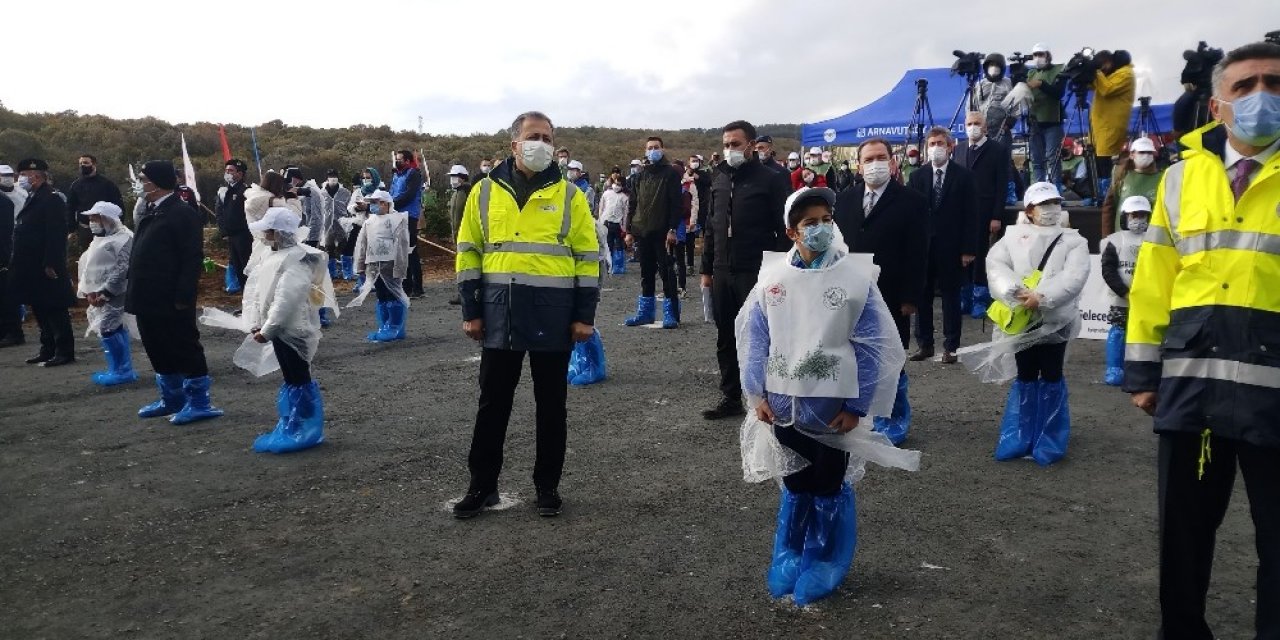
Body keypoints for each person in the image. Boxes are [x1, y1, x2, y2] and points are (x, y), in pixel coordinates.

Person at [1123, 41, 1280, 640]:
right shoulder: (1178, 180)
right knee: (1183, 537)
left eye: (1273, 81)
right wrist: (1141, 373)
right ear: (1218, 105)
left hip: (1273, 389)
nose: (1261, 95)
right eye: (1245, 86)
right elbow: (1154, 279)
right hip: (1193, 388)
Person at [737, 186, 914, 606]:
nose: (819, 229)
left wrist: (857, 407)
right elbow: (756, 339)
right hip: (782, 408)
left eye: (825, 220)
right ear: (791, 232)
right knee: (795, 483)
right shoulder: (774, 279)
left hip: (832, 413)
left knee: (826, 484)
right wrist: (755, 393)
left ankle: (823, 558)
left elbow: (872, 345)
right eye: (808, 223)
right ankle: (792, 553)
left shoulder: (855, 279)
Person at [453, 110, 600, 519]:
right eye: (534, 136)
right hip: (500, 313)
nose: (542, 144)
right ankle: (482, 486)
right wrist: (472, 310)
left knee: (552, 406)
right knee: (492, 405)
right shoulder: (482, 192)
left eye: (548, 138)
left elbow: (588, 259)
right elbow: (468, 253)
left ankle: (547, 487)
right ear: (514, 143)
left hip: (554, 316)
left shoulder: (570, 196)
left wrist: (584, 316)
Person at [960, 182, 1088, 466]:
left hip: (1056, 320)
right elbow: (996, 266)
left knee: (1052, 374)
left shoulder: (1074, 241)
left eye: (1055, 203)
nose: (1051, 209)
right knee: (1026, 374)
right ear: (1029, 210)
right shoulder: (1012, 237)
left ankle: (1049, 438)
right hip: (1023, 320)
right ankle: (1021, 434)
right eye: (1044, 204)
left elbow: (1075, 276)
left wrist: (1043, 297)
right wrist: (1016, 292)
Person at [833, 138, 930, 445]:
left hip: (892, 293)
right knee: (855, 354)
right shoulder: (845, 199)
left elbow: (919, 252)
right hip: (852, 294)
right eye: (869, 159)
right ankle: (861, 414)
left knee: (891, 357)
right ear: (859, 165)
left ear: (891, 161)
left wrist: (911, 296)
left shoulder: (911, 201)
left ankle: (894, 419)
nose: (875, 164)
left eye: (881, 157)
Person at [701, 120, 790, 420]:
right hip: (723, 270)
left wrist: (779, 269)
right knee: (725, 334)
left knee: (761, 335)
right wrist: (707, 270)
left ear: (751, 145)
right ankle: (730, 396)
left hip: (757, 271)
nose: (729, 150)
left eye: (735, 144)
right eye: (726, 144)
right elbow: (712, 227)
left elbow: (784, 229)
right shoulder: (719, 178)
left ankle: (767, 397)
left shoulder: (771, 178)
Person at [129, 160, 223, 425]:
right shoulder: (150, 209)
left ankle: (199, 402)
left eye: (143, 178)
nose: (140, 183)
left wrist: (184, 295)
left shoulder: (182, 212)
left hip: (170, 296)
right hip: (146, 294)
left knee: (182, 346)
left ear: (157, 182)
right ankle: (171, 398)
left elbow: (191, 257)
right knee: (155, 345)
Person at [244, 206, 337, 454]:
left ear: (279, 232)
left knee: (298, 377)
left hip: (295, 330)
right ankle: (294, 424)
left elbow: (287, 299)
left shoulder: (297, 259)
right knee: (291, 377)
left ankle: (305, 428)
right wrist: (259, 322)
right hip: (280, 330)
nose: (264, 234)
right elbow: (261, 292)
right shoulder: (272, 255)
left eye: (269, 230)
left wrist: (268, 329)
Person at [906, 127, 979, 364]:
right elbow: (912, 215)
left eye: (940, 143)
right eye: (932, 143)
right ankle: (924, 344)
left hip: (952, 247)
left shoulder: (964, 176)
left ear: (950, 147)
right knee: (922, 297)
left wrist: (968, 249)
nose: (935, 147)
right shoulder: (917, 177)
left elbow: (971, 215)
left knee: (950, 297)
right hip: (923, 248)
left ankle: (951, 346)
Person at [11, 159, 76, 367]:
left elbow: (56, 234)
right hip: (31, 265)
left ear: (35, 176)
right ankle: (47, 348)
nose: (20, 179)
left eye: (23, 175)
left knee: (54, 309)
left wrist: (51, 263)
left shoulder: (51, 199)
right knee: (40, 308)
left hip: (46, 265)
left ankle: (63, 351)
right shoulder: (34, 196)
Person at [954, 111, 1012, 320]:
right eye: (969, 123)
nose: (973, 127)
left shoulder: (997, 150)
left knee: (981, 255)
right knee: (962, 254)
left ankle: (980, 296)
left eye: (977, 123)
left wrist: (997, 215)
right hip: (961, 213)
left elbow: (1001, 186)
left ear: (985, 127)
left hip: (985, 211)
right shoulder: (959, 149)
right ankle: (965, 295)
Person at [624, 136, 683, 329]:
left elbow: (676, 203)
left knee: (667, 272)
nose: (653, 150)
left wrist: (672, 228)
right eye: (649, 148)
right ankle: (645, 312)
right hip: (643, 231)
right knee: (646, 272)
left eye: (656, 147)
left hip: (663, 231)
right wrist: (630, 230)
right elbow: (633, 204)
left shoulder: (671, 173)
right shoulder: (640, 175)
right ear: (645, 150)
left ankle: (671, 313)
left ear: (662, 149)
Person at [77, 201, 138, 386]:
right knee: (109, 328)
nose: (91, 222)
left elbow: (122, 269)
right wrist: (89, 291)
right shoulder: (99, 239)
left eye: (95, 218)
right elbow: (89, 266)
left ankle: (122, 370)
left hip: (115, 292)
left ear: (107, 219)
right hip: (98, 293)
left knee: (109, 327)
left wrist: (106, 292)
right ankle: (118, 368)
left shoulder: (124, 238)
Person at [1099, 196, 1148, 387]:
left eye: (1143, 215)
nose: (1139, 219)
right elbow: (1108, 270)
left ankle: (1140, 369)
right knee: (1118, 332)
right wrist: (1123, 292)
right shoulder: (1114, 241)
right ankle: (1114, 368)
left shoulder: (1155, 239)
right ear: (1125, 217)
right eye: (1135, 215)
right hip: (1121, 299)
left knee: (1145, 334)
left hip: (1147, 297)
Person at [350, 190, 410, 342]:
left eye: (376, 202)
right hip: (373, 265)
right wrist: (360, 267)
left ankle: (395, 327)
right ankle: (384, 326)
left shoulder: (397, 220)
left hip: (390, 265)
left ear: (385, 203)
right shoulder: (369, 221)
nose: (373, 206)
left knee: (393, 295)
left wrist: (401, 267)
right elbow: (362, 245)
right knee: (381, 296)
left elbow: (402, 245)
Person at [1090, 50, 1136, 181]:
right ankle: (1100, 189)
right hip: (1101, 123)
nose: (1104, 69)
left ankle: (1108, 190)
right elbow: (1096, 86)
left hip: (1111, 123)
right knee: (1098, 158)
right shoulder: (1113, 74)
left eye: (1104, 66)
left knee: (1105, 158)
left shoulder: (1126, 73)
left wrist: (1097, 72)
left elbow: (1107, 89)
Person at [1026, 43, 1068, 185]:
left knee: (1052, 158)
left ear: (1048, 56)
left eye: (1041, 55)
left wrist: (1041, 84)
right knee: (1036, 160)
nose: (1038, 58)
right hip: (1035, 122)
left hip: (1053, 122)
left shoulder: (1059, 70)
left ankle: (1056, 190)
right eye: (1035, 55)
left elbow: (1058, 93)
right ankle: (1039, 189)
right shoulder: (1031, 73)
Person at [1102, 136, 1163, 233]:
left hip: (1152, 236)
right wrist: (1107, 237)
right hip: (1121, 237)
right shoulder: (1120, 175)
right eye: (1142, 152)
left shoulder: (1163, 177)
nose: (1146, 155)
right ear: (1132, 154)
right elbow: (1109, 208)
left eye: (1149, 152)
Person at [66, 154, 124, 250]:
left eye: (85, 163)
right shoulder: (75, 185)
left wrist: (118, 226)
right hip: (84, 229)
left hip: (104, 229)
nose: (82, 165)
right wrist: (71, 229)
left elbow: (118, 206)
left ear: (94, 164)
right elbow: (70, 208)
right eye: (80, 163)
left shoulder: (107, 184)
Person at [390, 150, 425, 299]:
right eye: (396, 159)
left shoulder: (413, 174)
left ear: (408, 160)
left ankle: (417, 287)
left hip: (409, 215)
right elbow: (392, 191)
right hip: (396, 214)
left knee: (411, 251)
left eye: (400, 160)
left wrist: (392, 203)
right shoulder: (397, 175)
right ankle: (406, 285)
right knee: (401, 252)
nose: (397, 162)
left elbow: (410, 194)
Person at [216, 159, 252, 292]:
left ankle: (252, 302)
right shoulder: (225, 191)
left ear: (240, 173)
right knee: (237, 269)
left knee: (246, 268)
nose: (227, 173)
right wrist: (223, 231)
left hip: (244, 236)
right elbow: (220, 212)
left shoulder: (246, 191)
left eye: (231, 171)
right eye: (226, 171)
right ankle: (245, 301)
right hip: (231, 237)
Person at [342, 167, 381, 282]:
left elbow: (385, 207)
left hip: (375, 225)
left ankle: (373, 278)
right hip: (359, 223)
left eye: (368, 178)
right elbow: (349, 207)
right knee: (358, 251)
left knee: (372, 252)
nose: (365, 180)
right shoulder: (359, 191)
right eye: (364, 178)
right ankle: (360, 278)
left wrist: (369, 207)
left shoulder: (380, 191)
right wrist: (357, 208)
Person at [0, 164, 24, 348]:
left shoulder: (5, 202)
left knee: (7, 296)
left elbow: (5, 233)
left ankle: (13, 332)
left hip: (5, 254)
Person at [316, 170, 351, 281]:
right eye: (331, 176)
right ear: (327, 178)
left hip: (342, 223)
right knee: (328, 248)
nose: (333, 178)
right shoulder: (321, 193)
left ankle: (347, 272)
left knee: (345, 247)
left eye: (335, 176)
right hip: (327, 225)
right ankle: (332, 272)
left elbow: (350, 207)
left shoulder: (345, 192)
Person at [446, 164, 472, 305]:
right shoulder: (457, 193)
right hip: (458, 235)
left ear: (462, 178)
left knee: (466, 267)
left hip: (465, 235)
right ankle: (463, 293)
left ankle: (465, 294)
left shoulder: (466, 192)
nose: (452, 179)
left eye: (454, 177)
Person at [977, 54, 1015, 142]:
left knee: (1002, 154)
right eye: (991, 65)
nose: (994, 68)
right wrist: (975, 125)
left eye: (997, 65)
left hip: (1002, 130)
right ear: (986, 67)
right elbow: (971, 106)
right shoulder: (980, 85)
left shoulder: (1008, 83)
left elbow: (1016, 105)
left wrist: (1009, 123)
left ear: (1002, 67)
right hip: (982, 131)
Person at [598, 175, 629, 274]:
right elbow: (601, 208)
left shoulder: (624, 197)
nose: (616, 186)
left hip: (617, 225)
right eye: (615, 183)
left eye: (619, 184)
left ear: (623, 186)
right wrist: (600, 221)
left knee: (619, 246)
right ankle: (607, 266)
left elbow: (625, 214)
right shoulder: (606, 193)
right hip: (606, 222)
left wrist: (624, 228)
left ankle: (618, 267)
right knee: (607, 245)